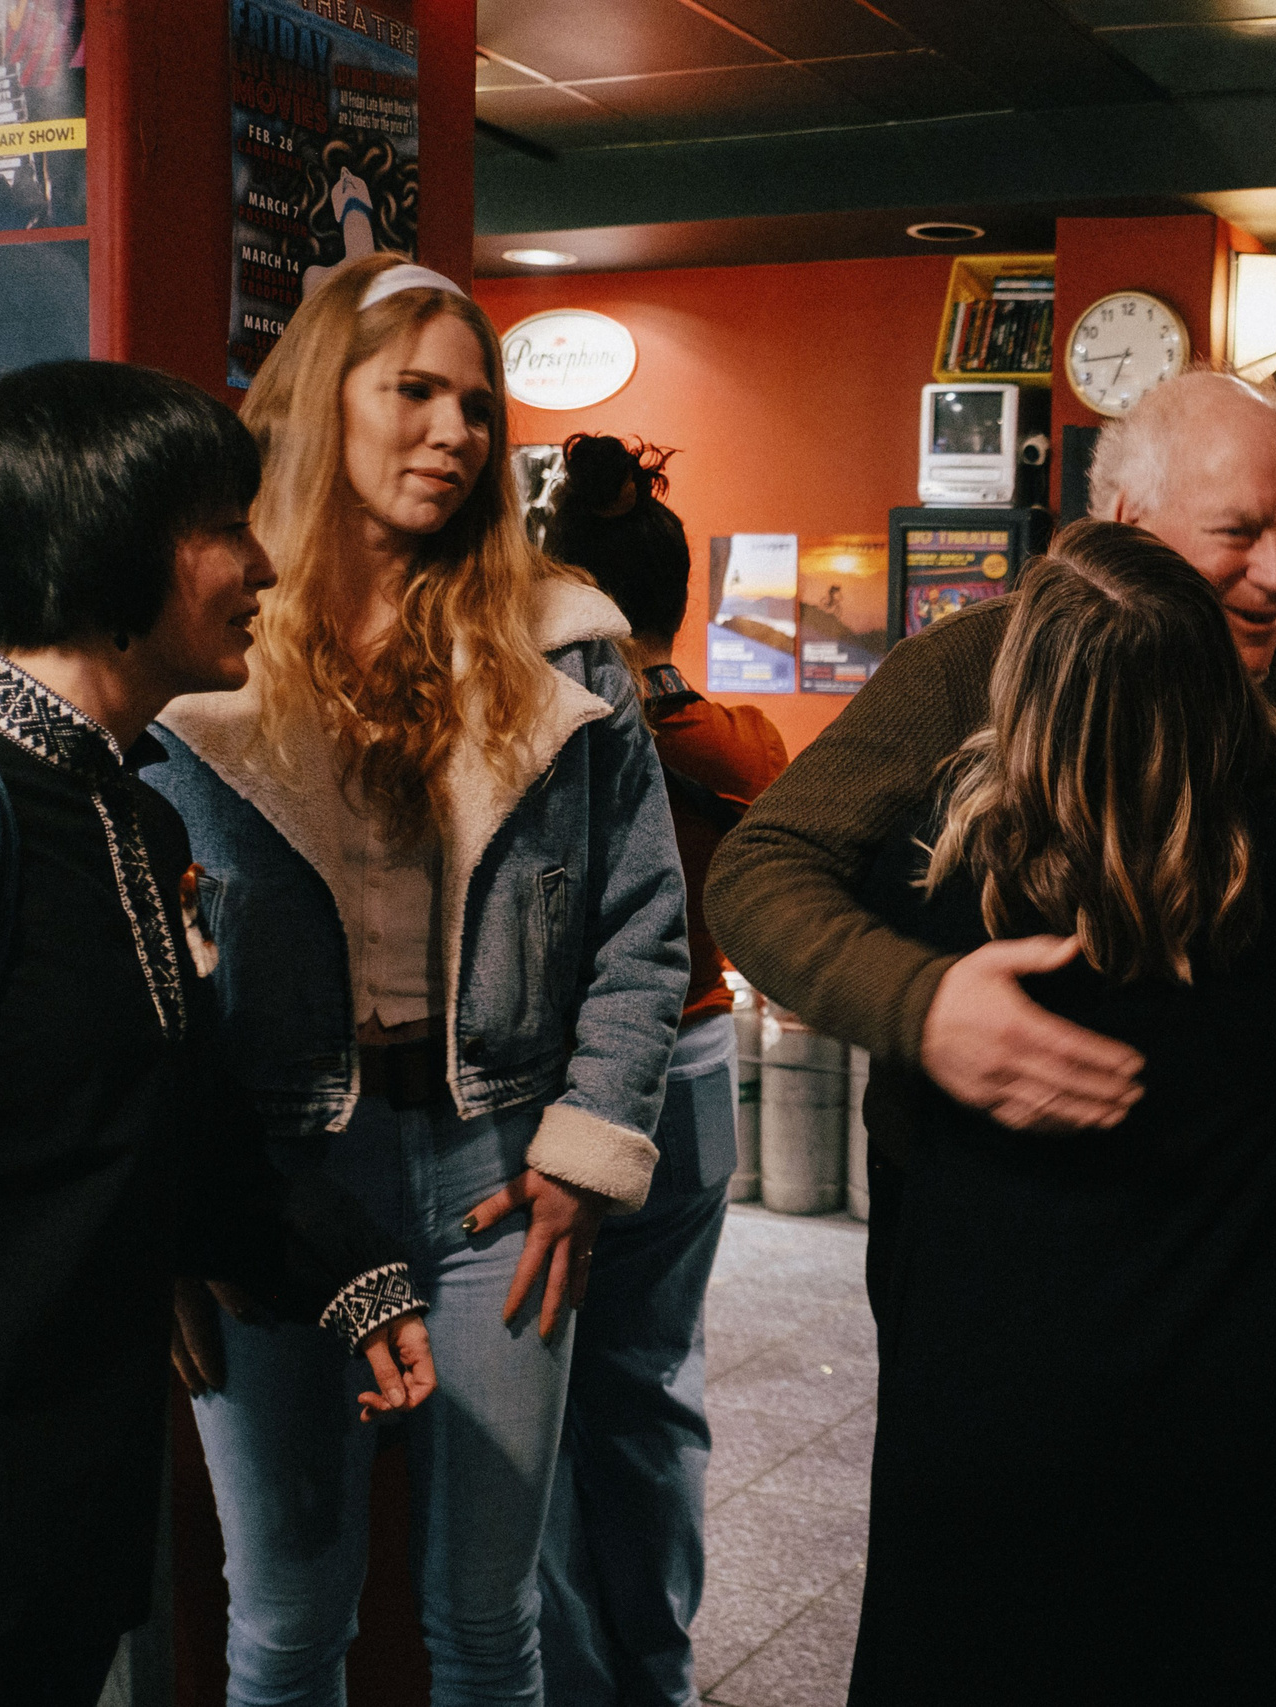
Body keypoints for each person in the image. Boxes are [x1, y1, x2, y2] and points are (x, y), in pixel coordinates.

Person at [143, 254, 690, 1705]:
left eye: (476, 400)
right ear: (326, 399)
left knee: (484, 1621)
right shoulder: (204, 642)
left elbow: (644, 927)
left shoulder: (564, 641)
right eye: (415, 390)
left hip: (496, 1170)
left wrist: (585, 1148)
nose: (456, 428)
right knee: (282, 1622)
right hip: (274, 1170)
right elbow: (138, 958)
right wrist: (176, 1210)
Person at [846, 520, 1276, 1701]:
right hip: (1227, 1387)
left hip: (995, 1377)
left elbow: (796, 883)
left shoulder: (940, 869)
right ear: (1207, 688)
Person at [0, 360, 435, 1705]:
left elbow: (169, 1119)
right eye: (225, 521)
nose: (265, 559)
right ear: (106, 540)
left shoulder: (132, 814)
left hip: (53, 1519)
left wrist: (341, 1272)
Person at [706, 369, 1276, 1332]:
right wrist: (926, 1005)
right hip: (986, 1218)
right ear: (1122, 522)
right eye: (1238, 533)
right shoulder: (966, 666)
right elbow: (759, 867)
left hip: (1239, 1222)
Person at [532, 433, 787, 1707]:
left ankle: (582, 1679)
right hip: (696, 1062)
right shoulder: (736, 741)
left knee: (546, 1399)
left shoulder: (571, 728)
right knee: (652, 1385)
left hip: (576, 1077)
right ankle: (660, 1672)